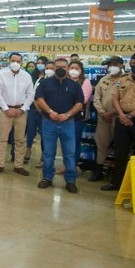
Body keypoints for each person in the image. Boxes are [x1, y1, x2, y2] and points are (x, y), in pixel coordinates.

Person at [101, 51, 135, 191]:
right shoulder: (121, 80)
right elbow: (115, 98)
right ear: (130, 63)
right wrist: (122, 115)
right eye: (134, 64)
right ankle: (116, 183)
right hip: (121, 119)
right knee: (120, 152)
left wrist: (131, 116)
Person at [35, 58, 84, 193]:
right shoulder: (45, 83)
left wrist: (67, 114)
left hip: (68, 123)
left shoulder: (75, 85)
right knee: (48, 153)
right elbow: (39, 99)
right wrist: (50, 112)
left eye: (63, 66)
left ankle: (70, 180)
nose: (60, 68)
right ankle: (47, 177)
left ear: (68, 69)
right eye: (57, 67)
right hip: (49, 122)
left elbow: (79, 103)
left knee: (69, 153)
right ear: (53, 68)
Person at [0, 52, 34, 176]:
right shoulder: (2, 74)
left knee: (20, 140)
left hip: (21, 111)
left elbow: (30, 95)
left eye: (18, 61)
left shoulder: (26, 76)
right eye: (13, 60)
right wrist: (5, 109)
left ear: (21, 63)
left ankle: (18, 165)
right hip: (5, 111)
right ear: (9, 61)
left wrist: (23, 109)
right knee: (2, 139)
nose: (15, 63)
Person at [91, 56, 123, 182]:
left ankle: (117, 176)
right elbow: (96, 98)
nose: (111, 67)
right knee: (101, 145)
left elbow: (125, 100)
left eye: (114, 64)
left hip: (119, 118)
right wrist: (102, 112)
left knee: (120, 147)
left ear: (120, 65)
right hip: (103, 119)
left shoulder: (126, 80)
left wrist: (113, 112)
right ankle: (98, 172)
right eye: (109, 65)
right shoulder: (104, 80)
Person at [64, 60, 92, 173]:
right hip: (63, 117)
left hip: (77, 117)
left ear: (81, 71)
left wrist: (65, 105)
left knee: (74, 142)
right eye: (72, 68)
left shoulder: (85, 82)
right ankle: (66, 165)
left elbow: (83, 99)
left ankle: (72, 166)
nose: (74, 70)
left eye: (77, 68)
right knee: (65, 143)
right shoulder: (64, 81)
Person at [24, 57, 48, 164]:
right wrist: (35, 105)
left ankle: (44, 155)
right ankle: (28, 150)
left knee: (44, 132)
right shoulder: (32, 76)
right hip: (33, 107)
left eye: (42, 63)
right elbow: (30, 93)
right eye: (38, 63)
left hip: (45, 109)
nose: (40, 65)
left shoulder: (49, 77)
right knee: (30, 130)